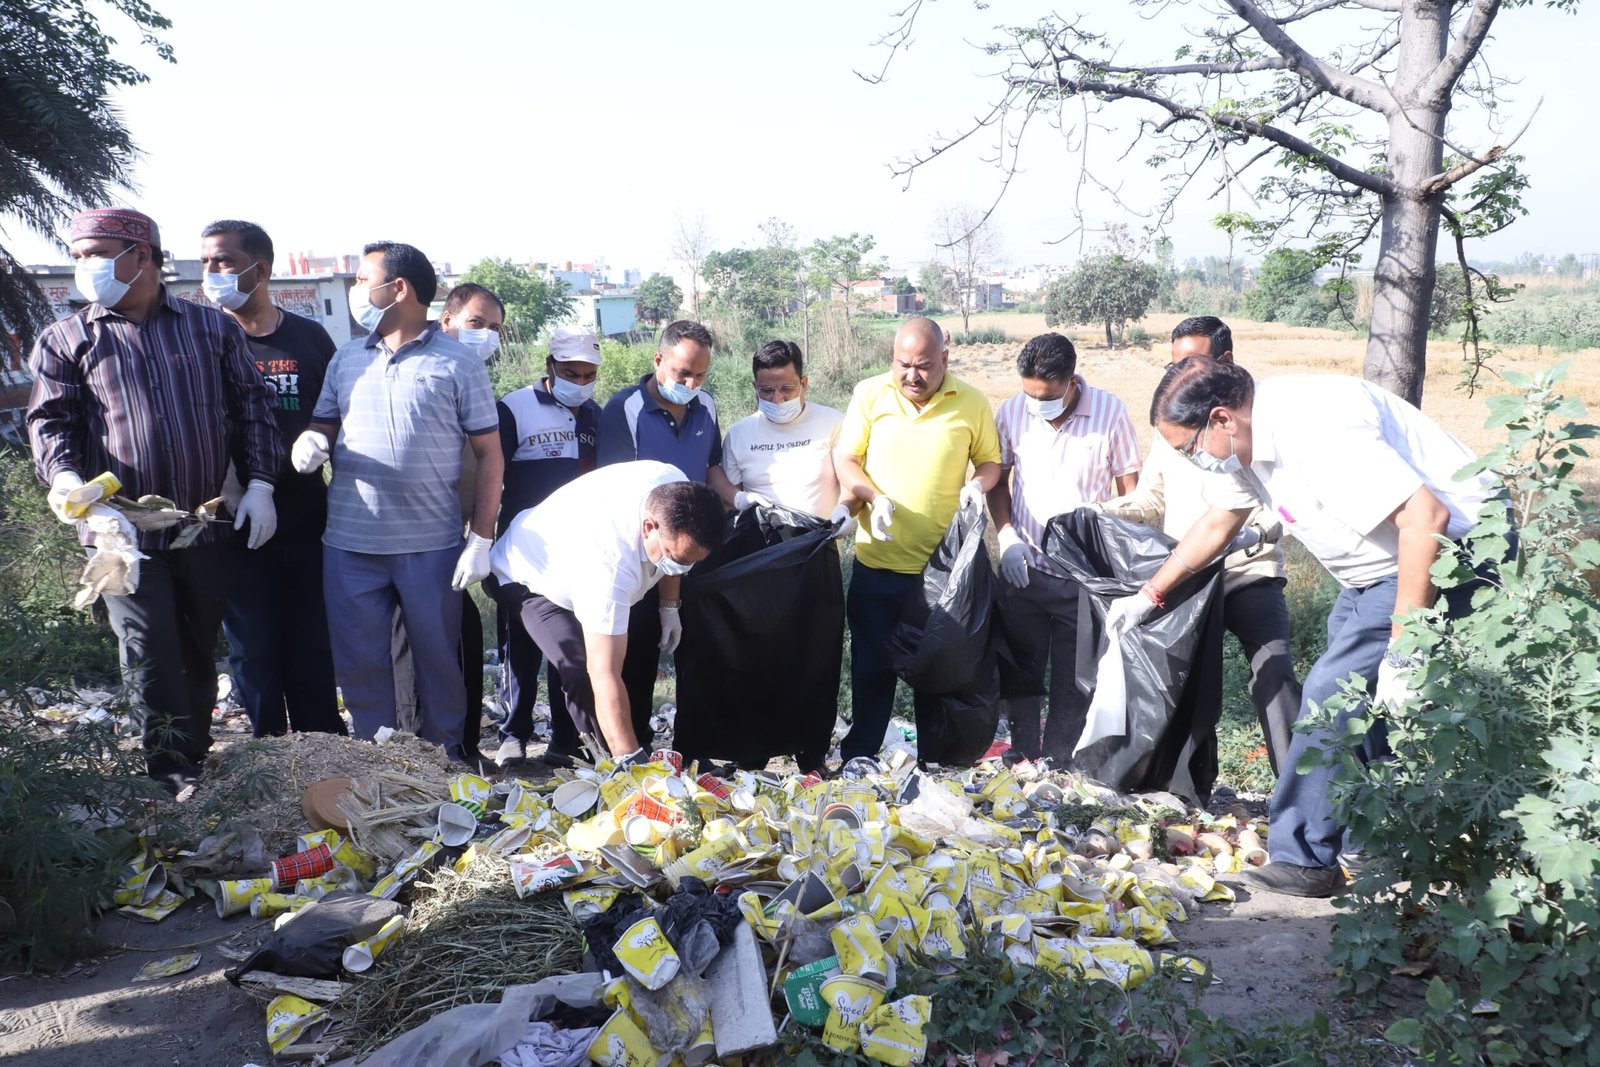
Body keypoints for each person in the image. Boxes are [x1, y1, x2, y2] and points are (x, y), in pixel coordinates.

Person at [1109, 357, 1495, 897]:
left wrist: (1408, 646)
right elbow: (1218, 524)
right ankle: (1382, 839)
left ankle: (1307, 860)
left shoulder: (1315, 428)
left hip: (1448, 559)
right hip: (1371, 577)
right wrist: (1149, 593)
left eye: (1186, 447)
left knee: (1331, 698)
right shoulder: (1244, 444)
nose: (1188, 460)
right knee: (1365, 708)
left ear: (1221, 419)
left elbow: (1425, 520)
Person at [27, 208, 282, 788]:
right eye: (78, 255)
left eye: (97, 252)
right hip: (118, 535)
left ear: (142, 256)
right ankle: (166, 768)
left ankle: (192, 749)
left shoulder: (210, 328)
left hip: (201, 525)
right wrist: (64, 478)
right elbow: (51, 422)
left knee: (196, 641)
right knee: (145, 645)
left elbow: (252, 408)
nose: (85, 266)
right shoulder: (67, 339)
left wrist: (262, 483)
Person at [294, 241, 504, 759]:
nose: (356, 291)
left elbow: (490, 455)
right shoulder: (346, 359)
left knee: (437, 660)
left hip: (429, 545)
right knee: (361, 662)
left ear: (399, 288)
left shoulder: (458, 363)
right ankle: (378, 761)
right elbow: (324, 422)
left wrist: (481, 539)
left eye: (364, 280)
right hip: (349, 544)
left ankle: (445, 760)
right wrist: (314, 440)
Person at [1101, 316, 1301, 774]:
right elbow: (1152, 497)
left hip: (1248, 571)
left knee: (1273, 674)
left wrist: (1258, 532)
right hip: (1187, 572)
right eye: (1174, 365)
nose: (1179, 376)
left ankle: (1294, 786)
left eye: (1192, 363)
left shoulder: (1247, 425)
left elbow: (1272, 504)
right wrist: (1104, 510)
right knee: (1182, 679)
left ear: (1224, 363)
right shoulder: (1172, 423)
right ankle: (1189, 788)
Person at [199, 219, 344, 739]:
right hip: (232, 518)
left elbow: (338, 418)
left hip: (306, 514)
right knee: (253, 647)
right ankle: (268, 753)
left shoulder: (308, 337)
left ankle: (322, 746)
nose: (211, 274)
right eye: (207, 263)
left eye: (224, 262)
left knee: (312, 640)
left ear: (260, 270)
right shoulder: (202, 336)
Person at [834, 317, 1002, 761]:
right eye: (902, 364)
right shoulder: (870, 394)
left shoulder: (971, 402)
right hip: (878, 563)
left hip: (940, 572)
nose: (912, 375)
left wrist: (977, 486)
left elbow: (990, 462)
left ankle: (936, 759)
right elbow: (847, 458)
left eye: (924, 365)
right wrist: (873, 496)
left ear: (945, 358)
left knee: (938, 670)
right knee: (871, 667)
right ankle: (861, 753)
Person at [488, 462, 726, 761]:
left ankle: (631, 742)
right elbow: (603, 672)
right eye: (674, 558)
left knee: (635, 647)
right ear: (649, 527)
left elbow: (678, 553)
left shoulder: (674, 487)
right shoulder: (610, 565)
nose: (680, 568)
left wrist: (669, 606)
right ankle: (607, 761)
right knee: (581, 668)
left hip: (578, 552)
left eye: (690, 562)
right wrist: (630, 763)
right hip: (526, 573)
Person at [988, 333, 1141, 764]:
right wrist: (1007, 538)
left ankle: (1059, 763)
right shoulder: (1013, 411)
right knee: (1022, 670)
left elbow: (1131, 492)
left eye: (1049, 396)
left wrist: (1110, 557)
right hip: (1025, 567)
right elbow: (999, 481)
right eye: (1030, 393)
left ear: (1072, 382)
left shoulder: (1109, 412)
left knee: (1075, 681)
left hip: (1082, 577)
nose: (1038, 404)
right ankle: (1022, 756)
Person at [597, 319, 734, 747]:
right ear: (659, 360)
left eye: (700, 375)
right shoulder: (625, 410)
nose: (691, 383)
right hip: (640, 550)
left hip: (692, 547)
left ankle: (694, 746)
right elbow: (615, 490)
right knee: (633, 654)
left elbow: (711, 466)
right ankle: (626, 748)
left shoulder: (706, 406)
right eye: (682, 373)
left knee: (693, 650)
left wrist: (737, 499)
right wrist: (660, 597)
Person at [389, 281, 506, 761]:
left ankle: (460, 743)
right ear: (447, 322)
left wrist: (479, 537)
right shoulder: (420, 376)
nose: (485, 336)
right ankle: (414, 749)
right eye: (476, 323)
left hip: (455, 538)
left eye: (495, 328)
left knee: (463, 631)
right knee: (412, 642)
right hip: (406, 539)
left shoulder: (477, 384)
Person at [489, 324, 603, 767]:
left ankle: (564, 739)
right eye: (570, 372)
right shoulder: (514, 409)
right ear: (550, 366)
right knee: (519, 645)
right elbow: (492, 477)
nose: (579, 382)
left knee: (569, 644)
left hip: (576, 550)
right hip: (523, 549)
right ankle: (513, 733)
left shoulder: (595, 415)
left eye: (587, 374)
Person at [720, 339, 849, 523]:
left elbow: (849, 481)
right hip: (762, 548)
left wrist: (844, 509)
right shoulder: (738, 436)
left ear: (804, 383)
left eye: (787, 388)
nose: (777, 399)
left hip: (819, 545)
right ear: (755, 387)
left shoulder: (833, 423)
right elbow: (730, 502)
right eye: (766, 391)